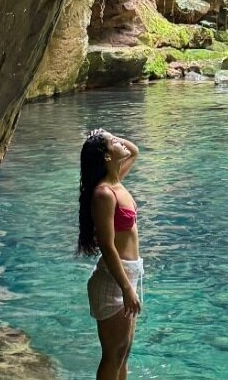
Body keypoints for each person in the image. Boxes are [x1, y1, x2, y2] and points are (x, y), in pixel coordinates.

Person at [78, 129, 142, 380]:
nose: (120, 142)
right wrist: (126, 288)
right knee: (113, 354)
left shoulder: (116, 181)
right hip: (114, 281)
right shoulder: (104, 193)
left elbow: (134, 151)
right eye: (113, 143)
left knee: (124, 352)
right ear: (105, 157)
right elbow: (107, 244)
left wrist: (108, 136)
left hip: (129, 273)